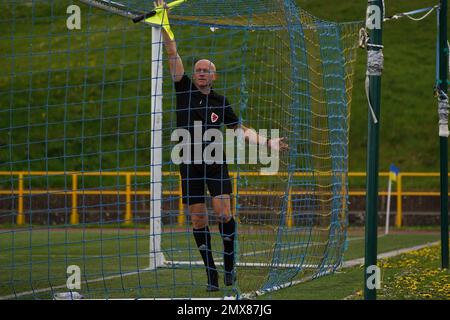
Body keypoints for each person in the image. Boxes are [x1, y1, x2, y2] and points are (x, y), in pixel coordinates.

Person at [156, 0, 288, 292]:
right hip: (189, 161)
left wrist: (268, 143)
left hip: (215, 160)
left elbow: (240, 130)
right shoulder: (184, 89)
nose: (201, 73)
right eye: (198, 69)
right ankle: (210, 272)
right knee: (198, 217)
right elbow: (172, 53)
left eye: (207, 70)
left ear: (214, 76)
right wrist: (164, 21)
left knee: (224, 212)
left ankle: (229, 266)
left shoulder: (221, 102)